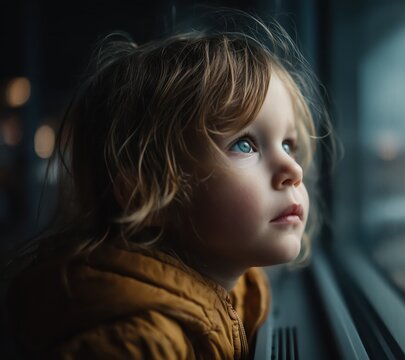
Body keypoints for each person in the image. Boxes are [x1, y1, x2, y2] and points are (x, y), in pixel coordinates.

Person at [4, 11, 328, 360]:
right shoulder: (140, 345)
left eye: (288, 144)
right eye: (245, 144)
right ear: (148, 193)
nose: (293, 169)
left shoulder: (242, 290)